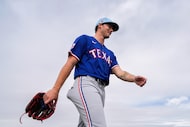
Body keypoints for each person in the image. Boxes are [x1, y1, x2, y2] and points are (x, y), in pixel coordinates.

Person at [43, 17, 147, 127]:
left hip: (101, 90)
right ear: (100, 25)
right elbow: (70, 63)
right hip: (86, 84)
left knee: (87, 123)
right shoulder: (85, 40)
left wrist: (134, 78)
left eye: (113, 29)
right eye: (110, 26)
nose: (111, 30)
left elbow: (120, 73)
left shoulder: (109, 53)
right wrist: (55, 89)